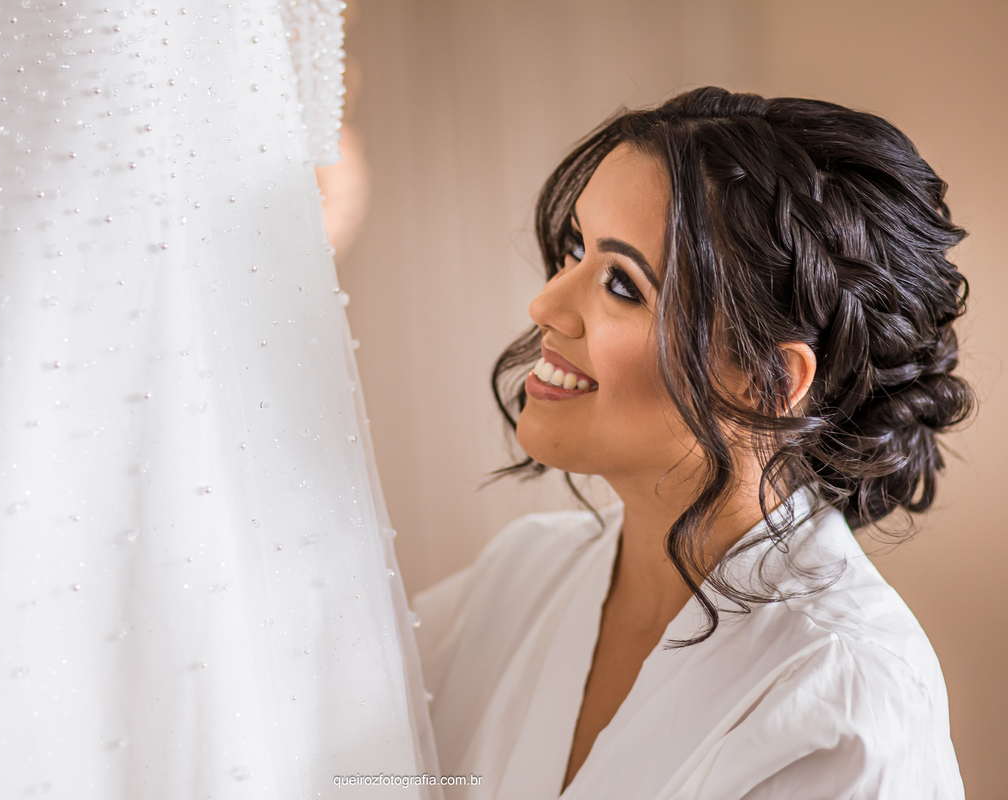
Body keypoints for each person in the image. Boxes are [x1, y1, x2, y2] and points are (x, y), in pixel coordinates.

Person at [411, 87, 972, 799]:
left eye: (621, 284)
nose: (546, 304)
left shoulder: (845, 697)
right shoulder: (522, 573)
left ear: (765, 378)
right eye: (575, 249)